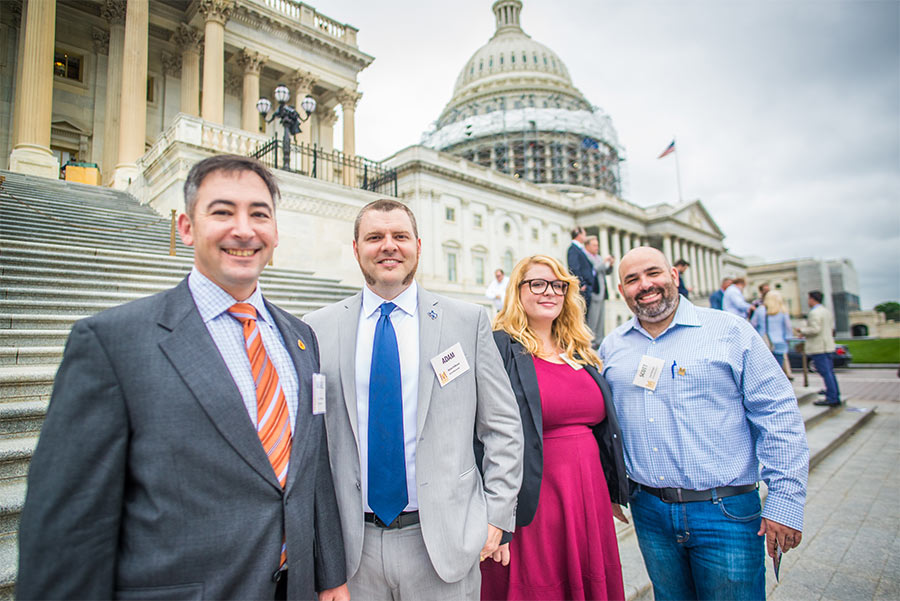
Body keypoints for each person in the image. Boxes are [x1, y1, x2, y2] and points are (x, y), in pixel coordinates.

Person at [17, 155, 348, 600]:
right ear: (186, 227)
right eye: (222, 211)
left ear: (274, 233)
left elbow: (312, 470)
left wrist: (330, 577)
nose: (244, 229)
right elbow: (68, 523)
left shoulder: (301, 337)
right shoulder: (112, 341)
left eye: (259, 214)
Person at [304, 199, 523, 600]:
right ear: (356, 249)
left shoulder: (466, 321)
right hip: (352, 549)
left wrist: (496, 516)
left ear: (418, 247)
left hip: (443, 542)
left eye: (399, 236)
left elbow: (503, 427)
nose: (388, 246)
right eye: (375, 237)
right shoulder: (316, 328)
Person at [599, 247, 809, 601]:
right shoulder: (612, 347)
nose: (645, 285)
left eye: (654, 273)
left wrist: (785, 502)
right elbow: (607, 426)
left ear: (675, 276)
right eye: (632, 279)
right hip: (650, 511)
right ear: (622, 291)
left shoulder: (729, 331)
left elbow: (778, 415)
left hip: (725, 511)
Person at [480, 255, 629, 601]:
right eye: (537, 283)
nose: (549, 292)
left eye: (558, 285)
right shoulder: (499, 346)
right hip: (531, 497)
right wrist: (495, 516)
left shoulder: (579, 350)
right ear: (517, 291)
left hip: (587, 494)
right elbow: (480, 432)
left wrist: (612, 488)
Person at [796, 291, 841, 407]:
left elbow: (815, 329)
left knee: (825, 372)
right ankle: (833, 393)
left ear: (812, 299)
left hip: (819, 346)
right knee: (829, 372)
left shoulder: (814, 313)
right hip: (827, 345)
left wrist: (802, 330)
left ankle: (832, 397)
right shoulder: (826, 311)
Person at [751, 289, 794, 380]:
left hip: (764, 342)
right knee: (778, 368)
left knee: (765, 369)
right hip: (780, 343)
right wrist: (788, 339)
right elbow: (788, 327)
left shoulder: (760, 310)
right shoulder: (782, 310)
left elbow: (752, 325)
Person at [584, 235, 615, 346]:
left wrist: (610, 265)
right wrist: (604, 263)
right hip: (594, 291)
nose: (597, 247)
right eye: (594, 245)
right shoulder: (586, 257)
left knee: (601, 319)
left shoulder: (598, 257)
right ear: (587, 245)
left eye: (597, 245)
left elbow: (605, 271)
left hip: (602, 292)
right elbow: (595, 269)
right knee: (593, 318)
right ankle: (591, 341)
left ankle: (600, 340)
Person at [566, 226, 597, 314]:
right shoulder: (573, 249)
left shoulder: (578, 249)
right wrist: (581, 284)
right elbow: (574, 267)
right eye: (584, 234)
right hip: (583, 288)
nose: (585, 236)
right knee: (583, 315)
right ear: (578, 235)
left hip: (587, 288)